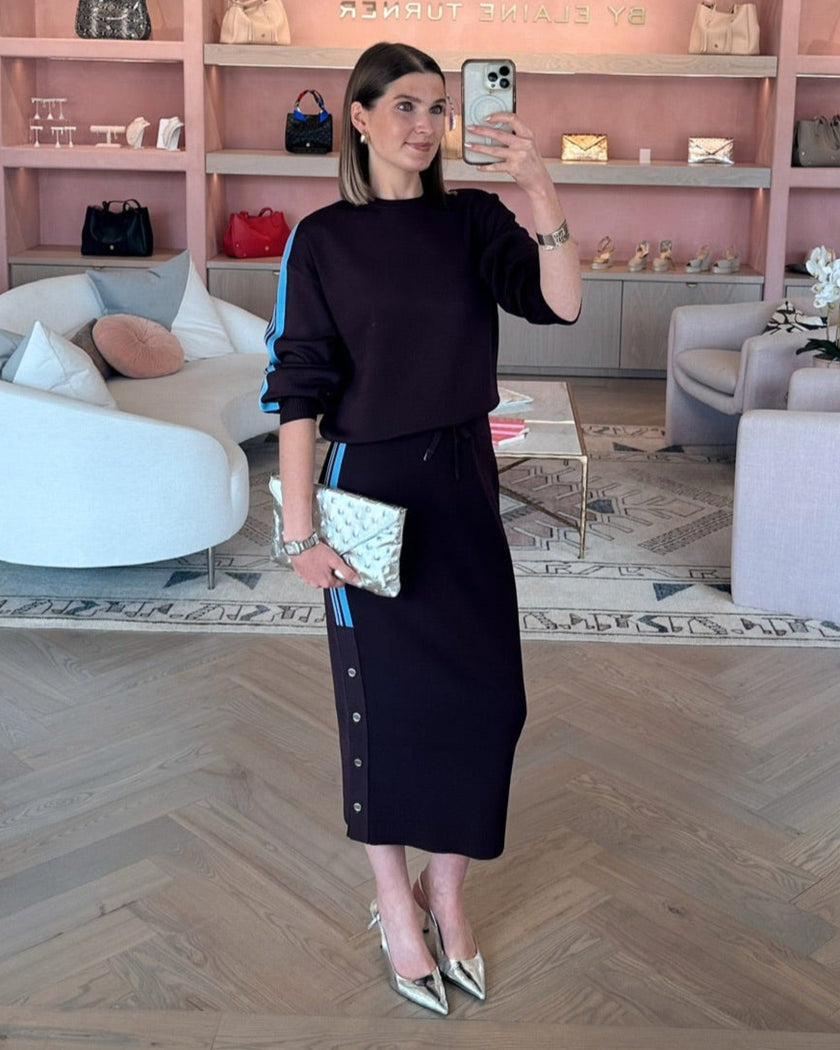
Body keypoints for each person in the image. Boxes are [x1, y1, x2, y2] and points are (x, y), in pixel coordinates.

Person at [260, 41, 581, 1015]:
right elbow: (298, 390)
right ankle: (395, 902)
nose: (425, 125)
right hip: (369, 487)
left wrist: (538, 184)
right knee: (386, 707)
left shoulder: (473, 220)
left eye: (438, 107)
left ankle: (448, 891)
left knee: (489, 701)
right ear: (357, 118)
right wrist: (299, 533)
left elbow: (559, 300)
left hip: (462, 480)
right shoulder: (321, 241)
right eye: (403, 105)